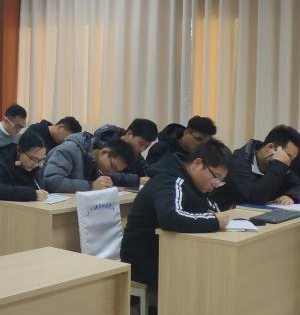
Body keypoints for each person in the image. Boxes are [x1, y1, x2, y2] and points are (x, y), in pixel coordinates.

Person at [121, 139, 232, 289]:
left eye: (220, 180)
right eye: (216, 177)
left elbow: (209, 209)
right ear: (197, 164)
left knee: (215, 267)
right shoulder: (170, 180)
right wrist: (214, 221)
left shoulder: (195, 184)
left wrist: (214, 216)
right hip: (145, 259)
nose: (216, 184)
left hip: (171, 253)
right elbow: (171, 217)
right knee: (204, 275)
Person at [0, 131, 50, 258]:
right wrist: (31, 194)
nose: (37, 164)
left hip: (18, 216)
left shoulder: (34, 166)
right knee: (8, 252)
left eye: (41, 160)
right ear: (19, 151)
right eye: (33, 159)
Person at [217, 125, 300, 207]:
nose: (289, 163)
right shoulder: (239, 162)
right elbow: (255, 198)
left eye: (292, 159)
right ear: (270, 148)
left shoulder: (281, 164)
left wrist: (290, 196)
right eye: (287, 156)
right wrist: (278, 164)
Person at [41, 131, 135, 193]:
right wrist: (91, 186)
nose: (111, 173)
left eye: (117, 171)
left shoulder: (97, 162)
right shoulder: (69, 150)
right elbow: (51, 182)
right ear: (104, 152)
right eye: (112, 166)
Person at [92, 118, 159, 188]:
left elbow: (145, 169)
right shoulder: (105, 142)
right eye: (140, 143)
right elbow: (106, 172)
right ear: (129, 134)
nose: (142, 149)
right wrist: (137, 180)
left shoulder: (136, 154)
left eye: (146, 147)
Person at [145, 116, 217, 165]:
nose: (201, 145)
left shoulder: (201, 156)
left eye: (205, 143)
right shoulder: (162, 148)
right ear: (186, 133)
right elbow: (149, 176)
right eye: (198, 139)